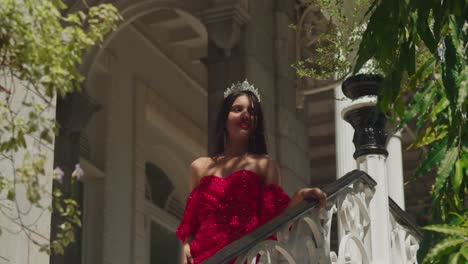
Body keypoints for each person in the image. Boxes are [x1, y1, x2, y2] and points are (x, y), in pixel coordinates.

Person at [176, 80, 327, 264]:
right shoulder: (199, 166)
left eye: (252, 111)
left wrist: (300, 195)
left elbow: (276, 221)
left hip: (245, 257)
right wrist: (186, 246)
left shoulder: (264, 165)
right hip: (204, 258)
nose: (246, 114)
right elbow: (192, 226)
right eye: (238, 109)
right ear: (225, 117)